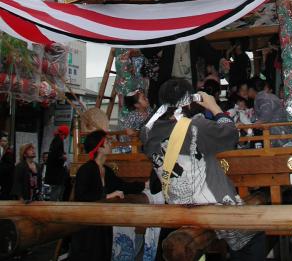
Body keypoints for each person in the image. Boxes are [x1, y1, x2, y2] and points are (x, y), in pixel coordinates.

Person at [141, 78, 266, 260]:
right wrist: (214, 106)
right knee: (253, 236)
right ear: (191, 100)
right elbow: (231, 135)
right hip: (213, 204)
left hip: (178, 204)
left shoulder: (147, 131)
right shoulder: (194, 127)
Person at [70, 130, 145, 261]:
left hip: (103, 224)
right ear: (99, 147)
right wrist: (106, 197)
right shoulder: (86, 170)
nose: (111, 144)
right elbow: (81, 196)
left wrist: (145, 184)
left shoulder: (107, 171)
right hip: (88, 227)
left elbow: (123, 186)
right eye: (107, 142)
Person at [45, 124, 69, 201]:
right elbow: (56, 155)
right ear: (64, 134)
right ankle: (53, 207)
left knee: (55, 191)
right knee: (56, 192)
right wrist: (63, 157)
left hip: (53, 172)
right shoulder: (59, 140)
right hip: (56, 173)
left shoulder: (55, 139)